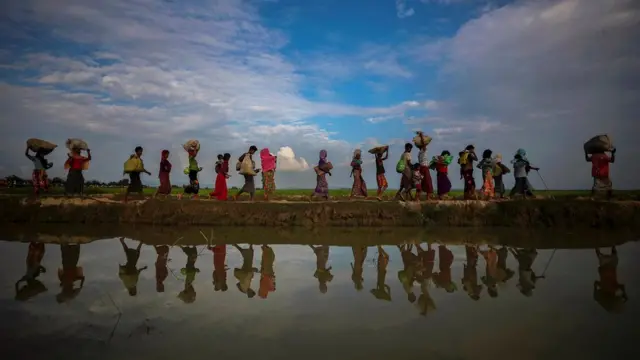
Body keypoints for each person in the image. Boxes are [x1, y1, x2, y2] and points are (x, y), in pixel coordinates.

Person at [594, 247, 627, 312]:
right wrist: (595, 288)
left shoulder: (614, 288)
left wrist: (624, 294)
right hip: (603, 267)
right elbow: (595, 283)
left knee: (614, 256)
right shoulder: (603, 287)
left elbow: (622, 286)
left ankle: (612, 245)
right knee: (600, 257)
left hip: (611, 266)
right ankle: (597, 247)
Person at [416, 136, 434, 201]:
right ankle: (428, 198)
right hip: (424, 168)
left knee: (420, 183)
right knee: (428, 182)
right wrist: (421, 135)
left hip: (421, 168)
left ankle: (417, 198)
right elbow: (424, 145)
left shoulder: (419, 153)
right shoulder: (423, 151)